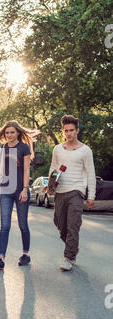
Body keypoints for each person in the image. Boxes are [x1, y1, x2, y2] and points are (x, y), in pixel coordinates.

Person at [48, 115, 96, 271]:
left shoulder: (85, 150)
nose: (68, 134)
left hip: (76, 191)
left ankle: (69, 257)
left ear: (77, 131)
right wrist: (50, 185)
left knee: (73, 226)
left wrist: (91, 196)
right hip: (60, 191)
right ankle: (73, 247)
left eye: (71, 131)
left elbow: (90, 174)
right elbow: (53, 168)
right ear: (63, 131)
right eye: (66, 131)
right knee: (60, 225)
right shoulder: (57, 149)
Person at [0, 120, 39, 270]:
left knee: (23, 224)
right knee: (4, 225)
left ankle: (25, 254)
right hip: (6, 190)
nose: (9, 135)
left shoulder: (23, 147)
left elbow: (26, 170)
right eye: (7, 133)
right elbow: (2, 167)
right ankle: (1, 258)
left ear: (18, 132)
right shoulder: (3, 147)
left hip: (20, 190)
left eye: (12, 132)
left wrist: (25, 189)